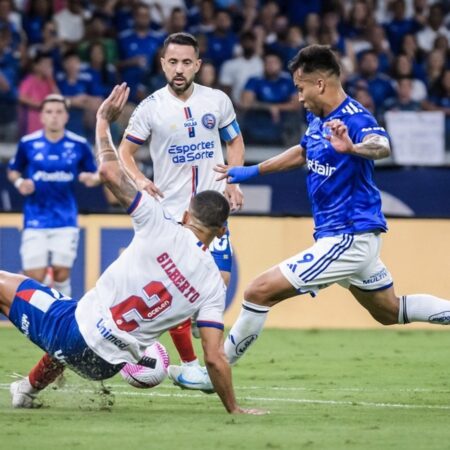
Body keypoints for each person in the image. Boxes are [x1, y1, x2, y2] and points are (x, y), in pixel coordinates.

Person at [174, 44, 450, 377]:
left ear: (320, 84)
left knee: (258, 291)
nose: (299, 97)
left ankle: (213, 372)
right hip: (346, 238)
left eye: (301, 88)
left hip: (348, 237)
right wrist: (250, 171)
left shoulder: (355, 118)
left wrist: (353, 147)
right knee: (389, 311)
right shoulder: (318, 119)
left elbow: (382, 145)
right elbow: (303, 151)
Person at [4, 83, 263, 416]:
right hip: (106, 367)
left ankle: (30, 385)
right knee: (70, 313)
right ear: (222, 230)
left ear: (185, 214)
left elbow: (110, 171)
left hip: (75, 333)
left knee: (11, 287)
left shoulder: (160, 224)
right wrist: (235, 409)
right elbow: (214, 357)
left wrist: (102, 122)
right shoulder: (213, 284)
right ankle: (27, 389)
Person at [119, 32, 245, 391]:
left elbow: (234, 140)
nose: (179, 69)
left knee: (216, 289)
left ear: (198, 65)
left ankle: (185, 360)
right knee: (179, 293)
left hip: (213, 213)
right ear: (162, 64)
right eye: (172, 62)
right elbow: (125, 153)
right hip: (172, 216)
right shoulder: (150, 108)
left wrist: (233, 181)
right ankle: (189, 366)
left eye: (186, 62)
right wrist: (141, 180)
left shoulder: (217, 101)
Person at [8, 93, 100, 297]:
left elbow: (95, 173)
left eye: (59, 112)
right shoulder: (28, 143)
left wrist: (91, 178)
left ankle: (62, 318)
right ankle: (41, 306)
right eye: (49, 112)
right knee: (34, 277)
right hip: (35, 218)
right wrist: (20, 182)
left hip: (65, 218)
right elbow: (13, 169)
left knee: (61, 272)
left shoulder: (79, 144)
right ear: (41, 116)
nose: (54, 116)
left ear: (66, 116)